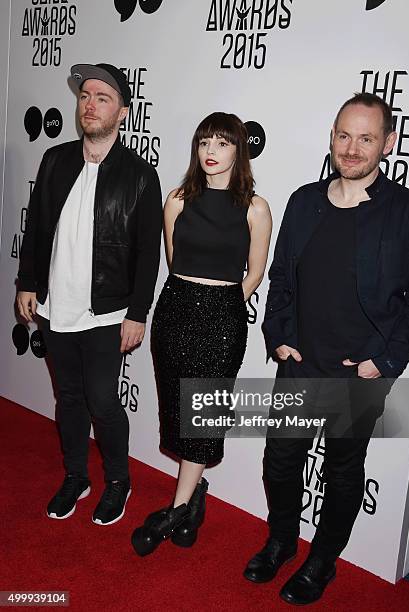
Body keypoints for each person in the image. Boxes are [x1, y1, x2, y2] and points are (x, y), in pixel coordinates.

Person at [244, 92, 409, 605]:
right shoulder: (304, 200)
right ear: (332, 136)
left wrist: (385, 361)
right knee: (280, 463)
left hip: (360, 374)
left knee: (342, 471)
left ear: (388, 143)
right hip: (300, 366)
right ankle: (282, 541)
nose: (352, 148)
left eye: (366, 138)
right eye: (344, 135)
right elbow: (281, 277)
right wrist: (279, 336)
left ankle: (322, 561)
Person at [16, 63, 163, 526]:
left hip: (107, 311)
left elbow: (147, 252)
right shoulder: (56, 160)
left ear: (122, 110)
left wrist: (137, 313)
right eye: (85, 96)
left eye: (102, 97)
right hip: (56, 308)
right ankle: (76, 476)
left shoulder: (140, 174)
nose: (90, 104)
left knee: (103, 400)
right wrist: (27, 282)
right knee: (71, 399)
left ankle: (118, 480)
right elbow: (37, 226)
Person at [131, 111, 272, 555]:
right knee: (176, 409)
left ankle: (174, 511)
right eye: (204, 142)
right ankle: (194, 502)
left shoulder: (255, 207)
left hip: (222, 320)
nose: (211, 152)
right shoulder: (176, 199)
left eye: (222, 143)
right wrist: (194, 299)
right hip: (174, 311)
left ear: (239, 149)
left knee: (202, 415)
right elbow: (175, 261)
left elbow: (256, 271)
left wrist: (224, 302)